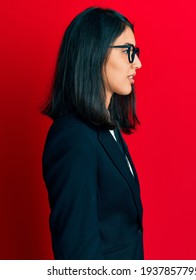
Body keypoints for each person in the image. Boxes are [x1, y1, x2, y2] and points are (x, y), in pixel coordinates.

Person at [41, 7, 143, 260]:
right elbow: (76, 251)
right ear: (94, 52)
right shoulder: (73, 137)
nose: (138, 63)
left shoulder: (108, 127)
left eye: (136, 52)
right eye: (128, 51)